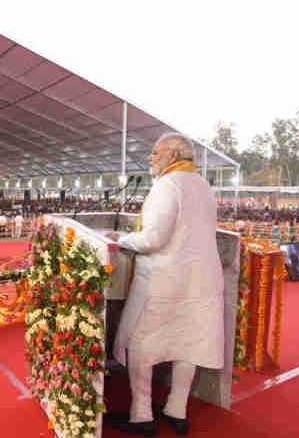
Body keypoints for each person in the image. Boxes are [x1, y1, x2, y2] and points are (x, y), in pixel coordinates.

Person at [107, 133, 224, 436]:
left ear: (172, 155)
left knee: (140, 345)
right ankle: (177, 410)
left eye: (155, 152)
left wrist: (123, 239)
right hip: (200, 283)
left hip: (164, 282)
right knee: (188, 344)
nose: (151, 157)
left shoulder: (167, 185)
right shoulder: (203, 186)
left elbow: (153, 239)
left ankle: (142, 415)